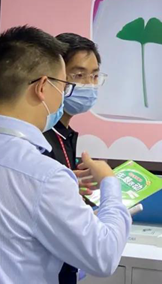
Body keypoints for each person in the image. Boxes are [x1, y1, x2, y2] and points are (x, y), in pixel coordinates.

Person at [0, 26, 131, 284]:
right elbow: (103, 256)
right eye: (64, 85)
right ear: (42, 87)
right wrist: (110, 184)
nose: (65, 95)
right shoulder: (43, 175)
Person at [42, 33, 107, 284]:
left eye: (94, 76)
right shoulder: (41, 134)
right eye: (78, 75)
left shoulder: (65, 133)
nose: (89, 85)